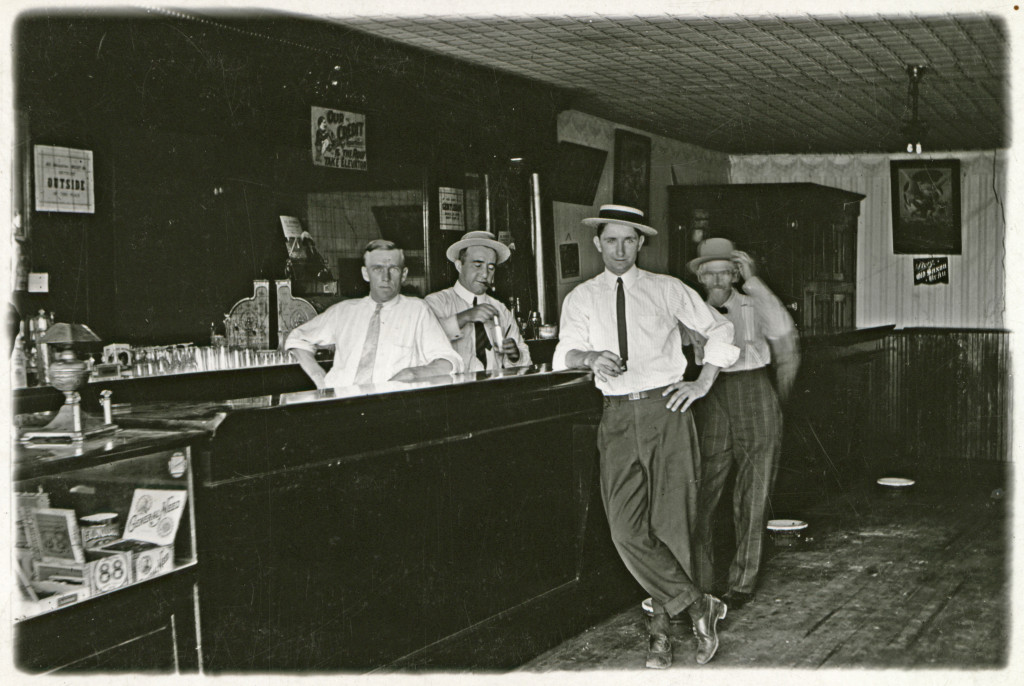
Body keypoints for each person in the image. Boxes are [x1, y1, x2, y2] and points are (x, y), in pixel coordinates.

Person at [553, 204, 739, 668]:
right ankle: (699, 605)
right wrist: (590, 357)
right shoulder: (581, 298)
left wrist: (702, 383)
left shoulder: (666, 289)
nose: (619, 249)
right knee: (624, 530)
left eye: (628, 240)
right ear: (597, 243)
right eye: (610, 240)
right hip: (615, 415)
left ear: (640, 244)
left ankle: (661, 634)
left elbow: (721, 328)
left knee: (672, 525)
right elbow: (565, 353)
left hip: (666, 410)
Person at [686, 238, 800, 612]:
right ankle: (699, 583)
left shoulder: (754, 302)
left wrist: (754, 282)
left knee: (754, 494)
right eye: (711, 272)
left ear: (736, 273)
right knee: (702, 491)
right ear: (701, 277)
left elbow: (784, 332)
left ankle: (742, 582)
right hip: (711, 396)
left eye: (725, 271)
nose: (718, 279)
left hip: (755, 389)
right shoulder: (690, 309)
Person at [285, 239, 462, 389]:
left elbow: (449, 361)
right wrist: (318, 377)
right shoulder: (344, 311)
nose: (385, 277)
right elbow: (297, 338)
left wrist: (412, 373)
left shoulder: (417, 310)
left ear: (404, 274)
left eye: (393, 269)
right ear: (365, 273)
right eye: (377, 269)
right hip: (340, 403)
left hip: (390, 407)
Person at [425, 231, 531, 373]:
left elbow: (525, 359)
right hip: (452, 392)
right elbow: (426, 342)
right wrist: (464, 317)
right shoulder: (436, 302)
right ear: (459, 266)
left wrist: (515, 355)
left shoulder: (500, 309)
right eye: (477, 265)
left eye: (491, 267)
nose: (485, 274)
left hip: (493, 390)